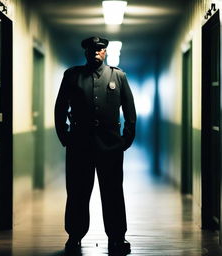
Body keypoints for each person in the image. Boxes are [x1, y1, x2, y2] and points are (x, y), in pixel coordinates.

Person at [54, 36, 136, 254]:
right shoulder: (72, 76)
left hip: (110, 145)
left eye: (100, 49)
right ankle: (74, 236)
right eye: (92, 49)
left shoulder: (118, 76)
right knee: (78, 192)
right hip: (80, 144)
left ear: (105, 52)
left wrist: (125, 139)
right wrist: (65, 136)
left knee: (113, 192)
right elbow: (60, 107)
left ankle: (117, 237)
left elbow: (129, 109)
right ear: (86, 52)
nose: (96, 53)